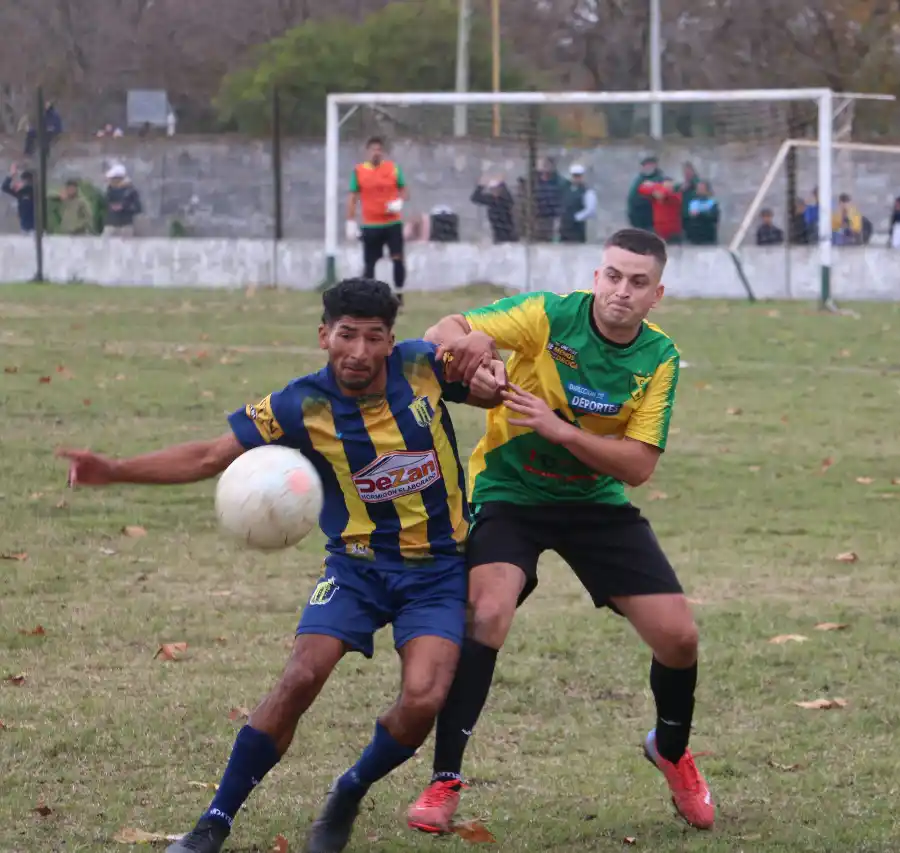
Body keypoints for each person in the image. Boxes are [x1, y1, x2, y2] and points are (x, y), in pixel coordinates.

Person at [58, 278, 506, 853]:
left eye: (375, 338)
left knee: (423, 698)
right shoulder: (298, 404)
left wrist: (486, 361)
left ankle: (351, 787)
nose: (360, 352)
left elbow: (488, 387)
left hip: (439, 572)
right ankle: (213, 822)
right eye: (347, 336)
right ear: (324, 336)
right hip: (356, 569)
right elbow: (207, 456)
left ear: (392, 341)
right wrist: (115, 469)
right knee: (299, 677)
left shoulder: (422, 367)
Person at [407, 228, 714, 833]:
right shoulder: (549, 314)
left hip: (595, 502)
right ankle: (444, 780)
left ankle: (672, 750)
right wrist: (473, 351)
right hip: (510, 492)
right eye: (613, 276)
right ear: (596, 275)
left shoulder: (659, 358)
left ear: (658, 294)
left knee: (679, 639)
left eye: (638, 283)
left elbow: (639, 465)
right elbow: (441, 332)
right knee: (487, 612)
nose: (621, 292)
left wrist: (561, 431)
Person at [346, 138, 409, 303]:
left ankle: (399, 295)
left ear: (383, 152)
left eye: (379, 149)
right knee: (370, 262)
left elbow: (404, 191)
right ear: (367, 152)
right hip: (371, 224)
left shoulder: (393, 169)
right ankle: (369, 299)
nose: (376, 152)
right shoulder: (359, 171)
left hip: (392, 223)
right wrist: (350, 221)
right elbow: (353, 197)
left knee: (398, 258)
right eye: (373, 149)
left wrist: (399, 202)